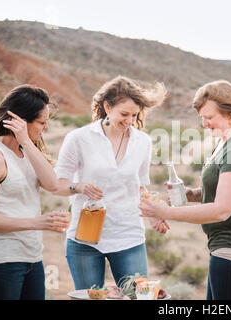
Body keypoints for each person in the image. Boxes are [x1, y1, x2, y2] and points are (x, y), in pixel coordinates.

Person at [139, 80, 231, 300]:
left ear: (229, 113)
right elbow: (225, 191)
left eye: (209, 117)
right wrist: (192, 194)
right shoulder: (227, 143)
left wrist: (165, 212)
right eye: (202, 118)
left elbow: (222, 210)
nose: (205, 124)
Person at [53, 75, 169, 290]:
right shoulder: (79, 138)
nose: (130, 121)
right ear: (107, 106)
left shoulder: (142, 142)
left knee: (136, 297)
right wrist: (79, 186)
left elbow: (141, 187)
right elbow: (57, 185)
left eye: (135, 115)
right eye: (124, 114)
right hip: (84, 238)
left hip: (129, 235)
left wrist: (153, 214)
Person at [0, 84, 69, 300]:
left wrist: (27, 142)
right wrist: (36, 222)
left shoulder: (27, 150)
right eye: (41, 122)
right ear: (19, 121)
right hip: (0, 261)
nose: (45, 128)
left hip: (32, 258)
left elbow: (52, 184)